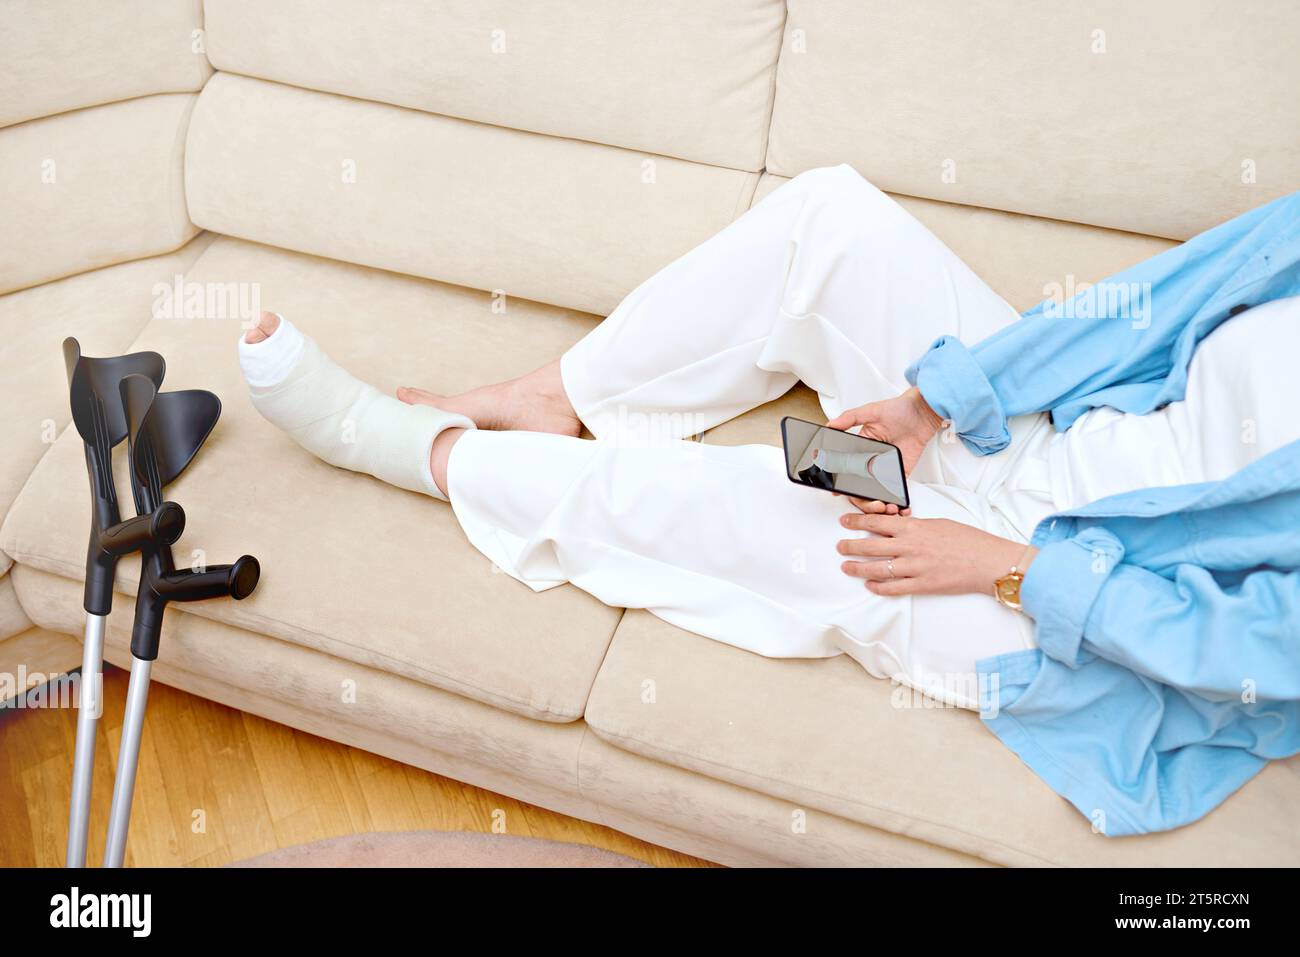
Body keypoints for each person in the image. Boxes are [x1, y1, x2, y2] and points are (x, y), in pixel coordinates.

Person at [237, 165, 1300, 833]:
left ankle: (410, 449)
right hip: (1066, 439)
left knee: (777, 518)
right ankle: (548, 399)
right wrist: (939, 403)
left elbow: (1263, 655)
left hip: (1091, 620)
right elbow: (1138, 319)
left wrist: (1005, 569)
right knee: (829, 218)